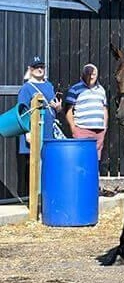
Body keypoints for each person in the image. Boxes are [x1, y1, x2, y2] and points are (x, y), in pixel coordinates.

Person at [16, 56, 60, 191]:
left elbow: (54, 107)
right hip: (34, 131)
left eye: (42, 67)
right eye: (36, 67)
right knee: (34, 165)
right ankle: (34, 198)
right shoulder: (26, 88)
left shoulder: (49, 85)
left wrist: (58, 108)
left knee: (48, 163)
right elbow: (22, 111)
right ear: (30, 69)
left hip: (48, 131)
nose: (40, 69)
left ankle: (46, 195)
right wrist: (27, 132)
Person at [64, 63, 108, 160]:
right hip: (82, 130)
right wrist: (73, 128)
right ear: (83, 74)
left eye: (94, 74)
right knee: (81, 157)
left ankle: (93, 175)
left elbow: (104, 109)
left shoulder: (101, 90)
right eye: (88, 74)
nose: (91, 76)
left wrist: (104, 127)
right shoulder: (75, 89)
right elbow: (69, 110)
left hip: (99, 131)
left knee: (96, 159)